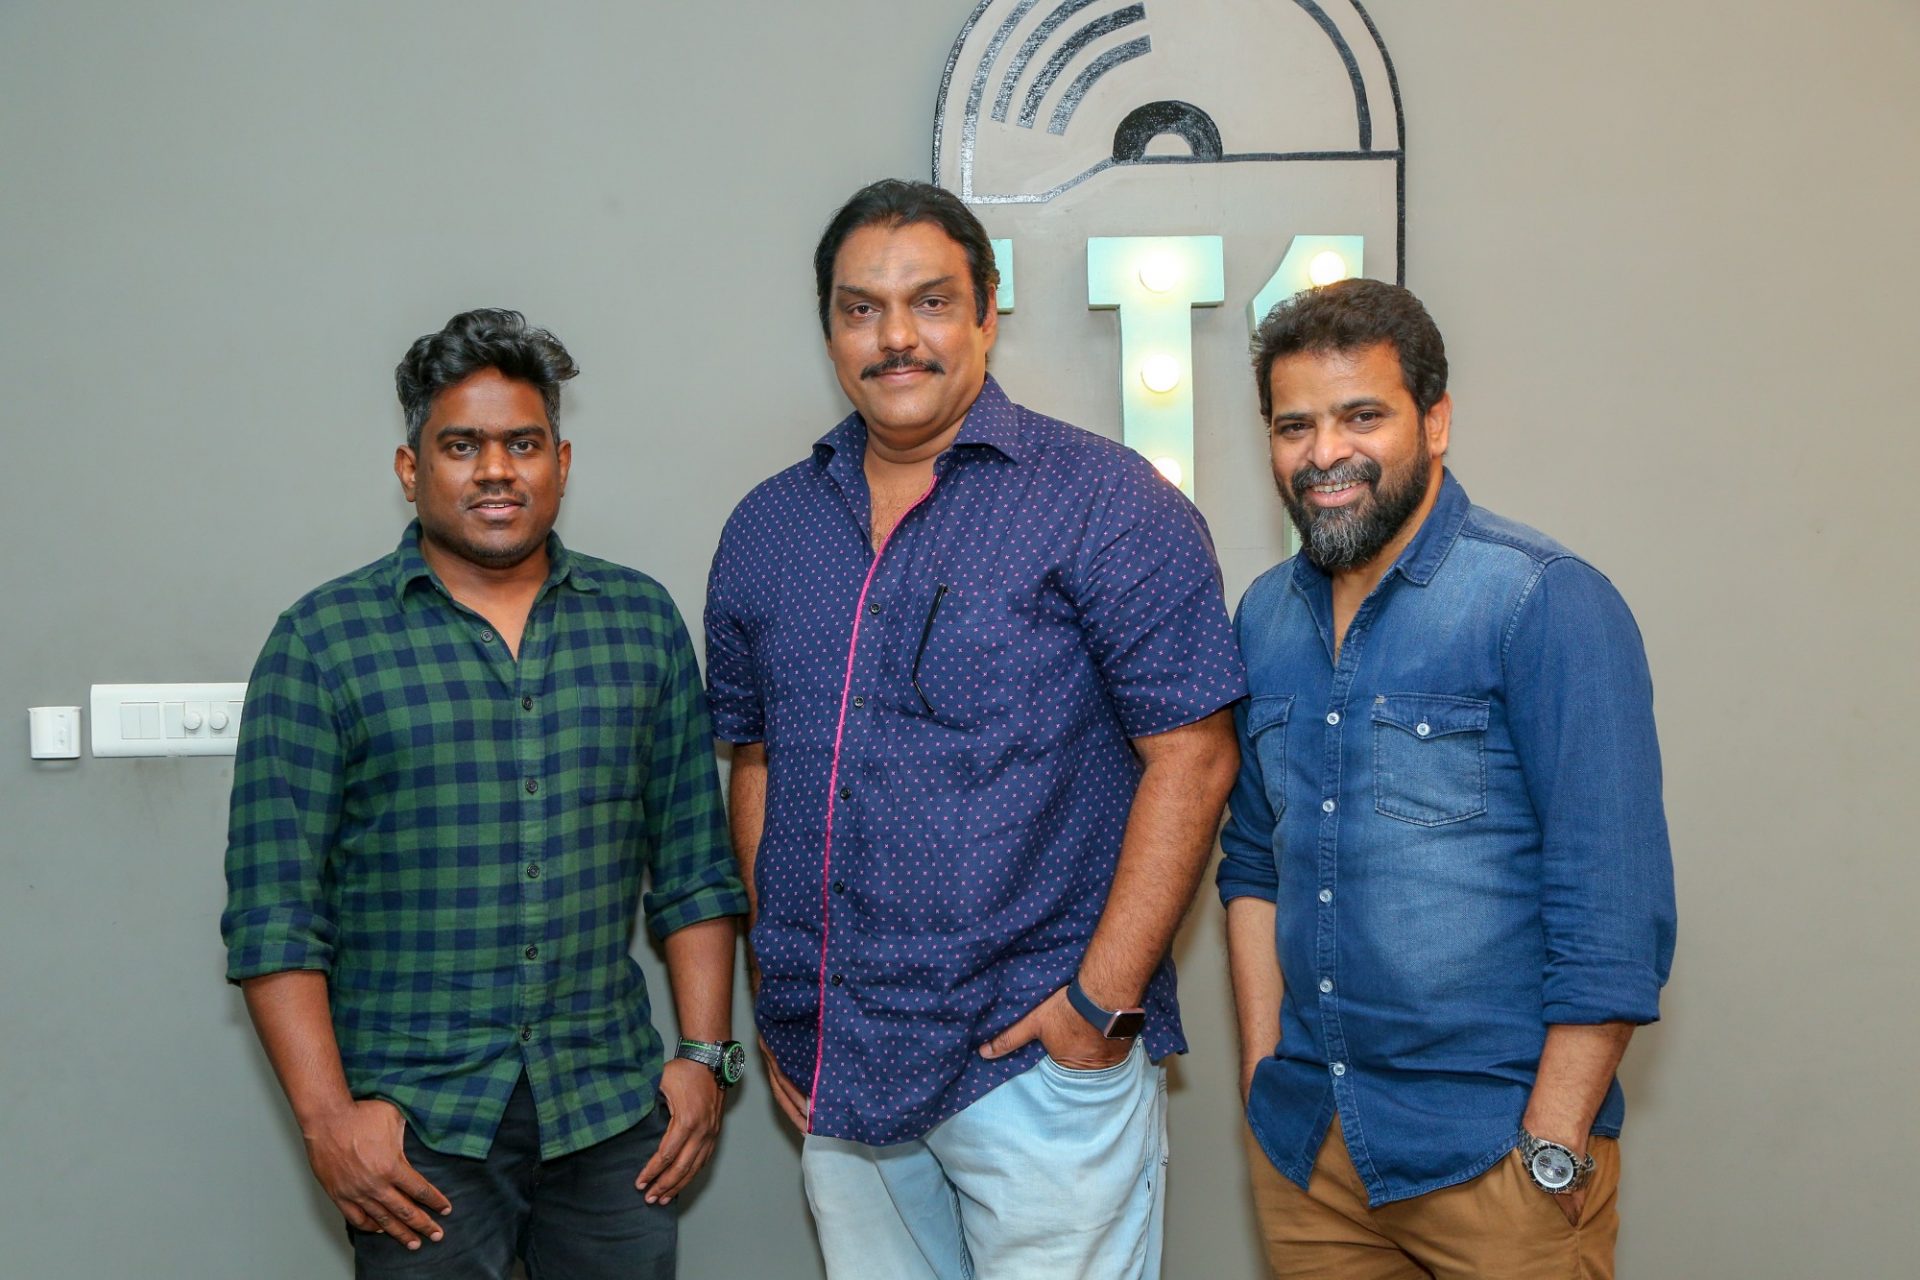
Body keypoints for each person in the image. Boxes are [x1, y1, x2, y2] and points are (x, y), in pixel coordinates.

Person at [703, 179, 1244, 1279]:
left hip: (1032, 1057)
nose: (896, 336)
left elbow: (1195, 757)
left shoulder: (1106, 501)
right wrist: (785, 985)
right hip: (844, 1054)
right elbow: (757, 760)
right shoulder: (767, 528)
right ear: (829, 329)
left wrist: (1099, 1003)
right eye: (861, 308)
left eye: (932, 301)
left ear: (989, 312)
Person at [222, 309, 748, 1279]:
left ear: (561, 461)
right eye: (461, 445)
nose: (496, 470)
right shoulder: (323, 642)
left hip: (609, 1112)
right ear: (410, 466)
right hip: (415, 1130)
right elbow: (274, 916)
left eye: (523, 444)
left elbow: (694, 870)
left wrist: (706, 1057)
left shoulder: (639, 623)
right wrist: (328, 1120)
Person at [1218, 278, 1677, 1279]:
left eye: (1362, 416)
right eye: (1295, 425)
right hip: (1311, 1157)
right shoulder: (1263, 617)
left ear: (1435, 422)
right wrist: (1262, 1073)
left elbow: (1614, 907)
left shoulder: (1541, 600)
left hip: (1495, 1155)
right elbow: (1252, 862)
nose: (1324, 452)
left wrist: (1553, 1143)